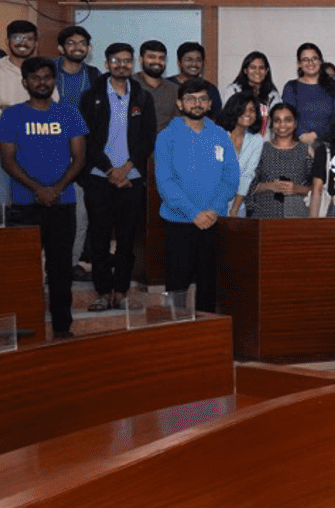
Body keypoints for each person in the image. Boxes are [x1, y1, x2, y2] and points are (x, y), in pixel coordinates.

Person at [0, 56, 90, 337]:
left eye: (47, 77)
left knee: (61, 269)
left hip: (63, 203)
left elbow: (79, 157)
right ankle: (27, 326)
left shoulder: (69, 114)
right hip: (26, 203)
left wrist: (56, 188)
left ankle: (63, 327)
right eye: (35, 77)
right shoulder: (12, 115)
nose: (42, 82)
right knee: (25, 270)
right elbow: (7, 161)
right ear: (25, 83)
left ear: (54, 81)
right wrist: (39, 189)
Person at [78, 44, 159, 312]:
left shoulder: (143, 98)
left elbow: (148, 138)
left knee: (127, 239)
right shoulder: (91, 97)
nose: (122, 65)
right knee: (99, 238)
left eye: (126, 61)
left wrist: (127, 168)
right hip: (99, 177)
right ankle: (103, 290)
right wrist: (110, 170)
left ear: (133, 64)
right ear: (107, 63)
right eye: (116, 60)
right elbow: (85, 138)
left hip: (131, 178)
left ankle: (121, 290)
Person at [154, 80, 237, 313]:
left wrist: (213, 210)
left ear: (210, 104)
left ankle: (206, 334)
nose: (197, 103)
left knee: (209, 284)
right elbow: (165, 182)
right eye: (191, 99)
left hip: (213, 220)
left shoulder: (220, 135)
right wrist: (193, 213)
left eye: (202, 99)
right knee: (176, 285)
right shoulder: (167, 137)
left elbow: (231, 176)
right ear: (180, 103)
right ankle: (174, 331)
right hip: (179, 222)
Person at [0, 20, 45, 204]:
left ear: (36, 43)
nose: (23, 43)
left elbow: (49, 112)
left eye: (29, 39)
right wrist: (31, 115)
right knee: (0, 212)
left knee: (31, 212)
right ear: (7, 42)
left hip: (36, 151)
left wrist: (8, 111)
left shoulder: (43, 72)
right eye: (17, 38)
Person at [239, 104, 317, 220]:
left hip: (297, 215)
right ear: (271, 124)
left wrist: (297, 189)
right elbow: (246, 186)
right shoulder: (260, 149)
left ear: (295, 123)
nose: (282, 125)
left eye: (288, 120)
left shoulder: (306, 151)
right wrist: (268, 186)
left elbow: (317, 189)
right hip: (264, 215)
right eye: (277, 120)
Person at [278, 43, 335, 143]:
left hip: (329, 144)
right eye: (305, 59)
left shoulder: (334, 86)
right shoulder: (291, 87)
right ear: (299, 64)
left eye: (314, 58)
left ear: (320, 61)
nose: (310, 63)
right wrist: (302, 138)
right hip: (298, 143)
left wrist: (316, 135)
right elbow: (287, 118)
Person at [224, 92, 266, 205]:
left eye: (252, 110)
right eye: (243, 109)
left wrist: (235, 209)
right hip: (208, 201)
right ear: (233, 109)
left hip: (237, 202)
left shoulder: (256, 140)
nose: (248, 114)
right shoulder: (218, 134)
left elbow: (247, 175)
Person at [132, 39, 177, 131]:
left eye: (161, 58)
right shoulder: (128, 85)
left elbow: (178, 124)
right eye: (152, 57)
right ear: (140, 59)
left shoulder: (174, 90)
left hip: (165, 144)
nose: (157, 62)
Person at [52, 25, 98, 108]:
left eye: (82, 43)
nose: (77, 47)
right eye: (71, 43)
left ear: (88, 49)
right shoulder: (46, 70)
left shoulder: (94, 74)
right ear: (61, 49)